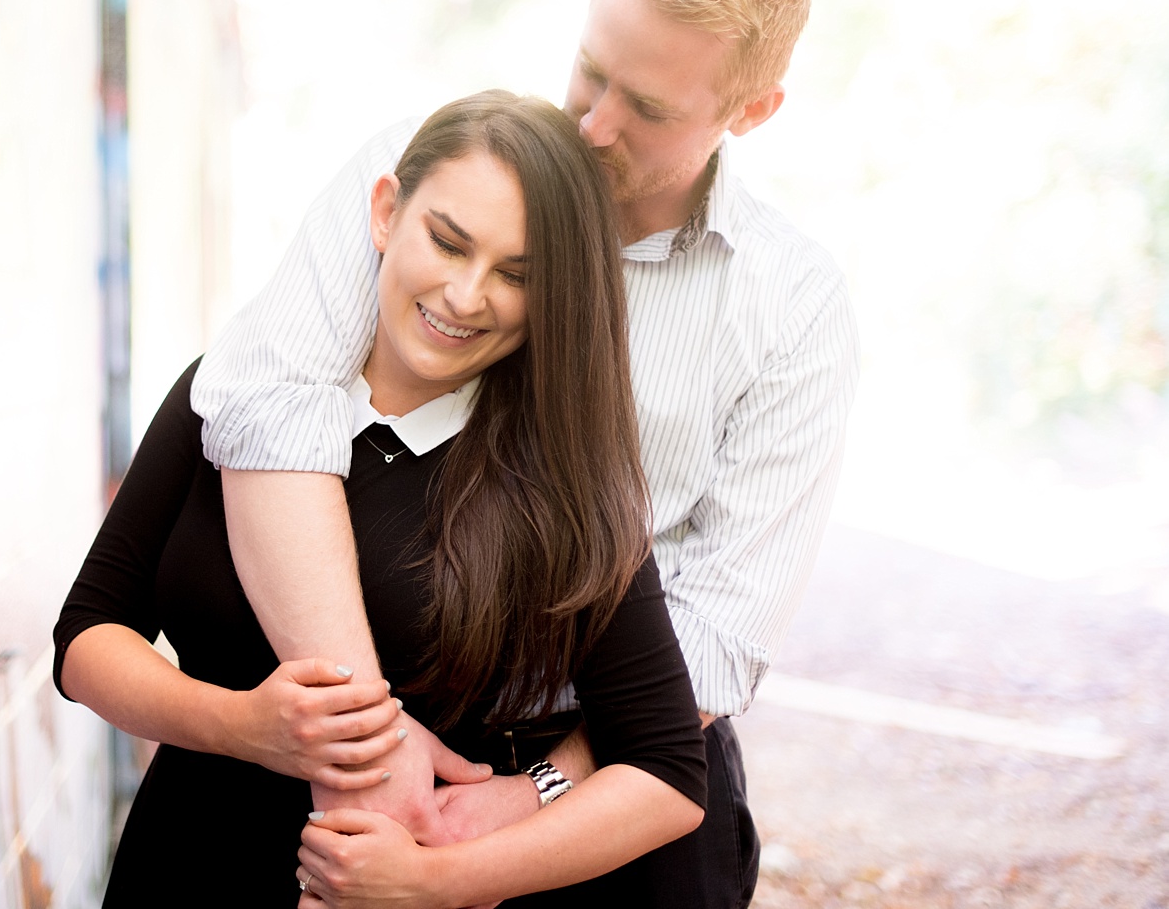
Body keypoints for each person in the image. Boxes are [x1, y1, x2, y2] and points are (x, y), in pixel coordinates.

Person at [192, 0, 861, 906]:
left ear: (749, 110)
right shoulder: (417, 177)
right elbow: (266, 411)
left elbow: (718, 633)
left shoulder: (792, 307)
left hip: (616, 786)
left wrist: (525, 794)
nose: (592, 125)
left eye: (646, 108)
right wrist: (375, 750)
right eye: (590, 71)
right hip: (370, 735)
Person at [55, 91, 708, 906]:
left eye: (516, 274)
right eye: (448, 241)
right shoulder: (229, 391)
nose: (468, 296)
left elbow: (669, 773)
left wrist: (437, 879)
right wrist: (243, 726)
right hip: (182, 863)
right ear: (385, 211)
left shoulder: (560, 481)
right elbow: (85, 640)